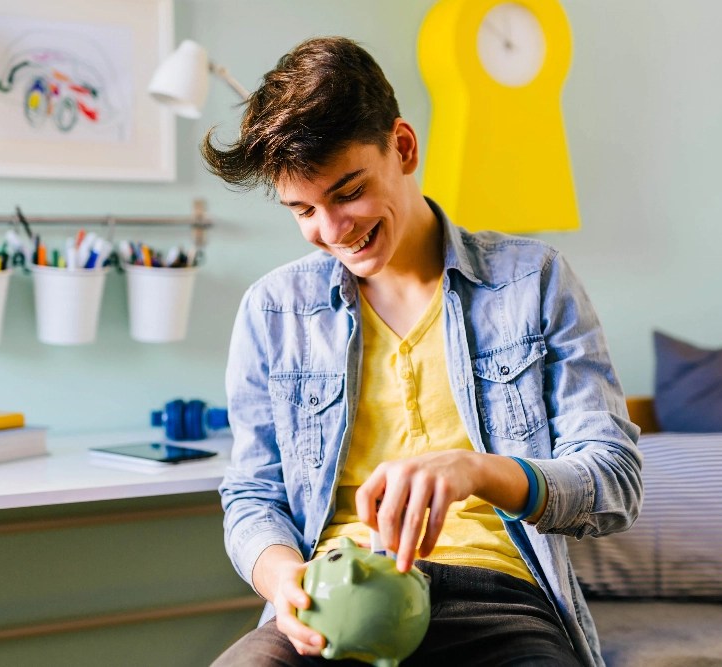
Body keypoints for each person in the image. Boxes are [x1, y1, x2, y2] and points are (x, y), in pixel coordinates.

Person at [205, 36, 642, 667]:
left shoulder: (533, 280)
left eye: (349, 191)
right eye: (303, 210)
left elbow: (615, 482)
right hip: (331, 599)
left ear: (403, 148)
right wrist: (282, 581)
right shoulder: (273, 311)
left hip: (500, 602)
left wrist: (477, 470)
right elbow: (251, 496)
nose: (332, 231)